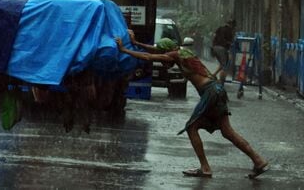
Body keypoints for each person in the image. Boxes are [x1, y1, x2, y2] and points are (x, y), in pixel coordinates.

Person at [115, 33, 268, 178]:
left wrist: (124, 50)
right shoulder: (181, 52)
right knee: (228, 132)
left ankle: (205, 168)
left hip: (211, 93)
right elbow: (156, 50)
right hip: (218, 90)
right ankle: (258, 160)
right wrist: (136, 43)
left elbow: (149, 56)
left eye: (164, 57)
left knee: (191, 127)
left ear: (168, 51)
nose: (164, 62)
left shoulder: (176, 55)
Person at [211, 19, 236, 85]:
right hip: (221, 48)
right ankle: (221, 81)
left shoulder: (220, 28)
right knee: (225, 66)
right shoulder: (229, 31)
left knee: (222, 64)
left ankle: (213, 75)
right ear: (231, 25)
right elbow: (230, 42)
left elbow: (214, 37)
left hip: (214, 47)